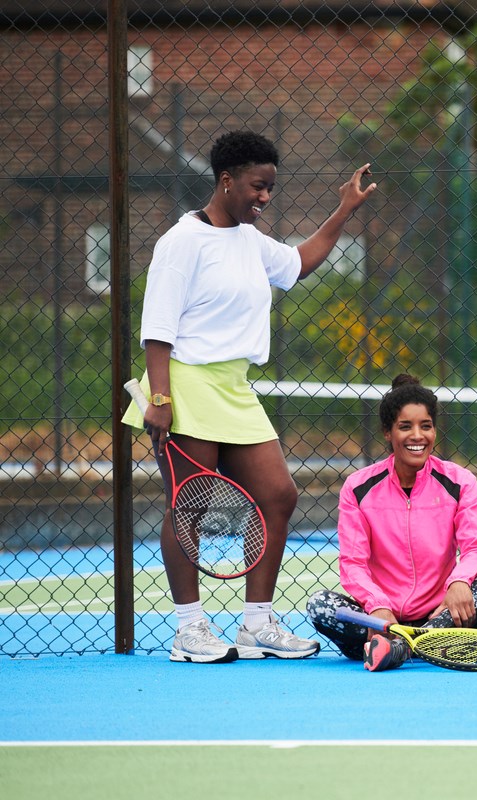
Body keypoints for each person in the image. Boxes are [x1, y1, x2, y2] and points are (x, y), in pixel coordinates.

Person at [122, 130, 376, 663]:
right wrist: (160, 397)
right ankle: (189, 629)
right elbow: (157, 327)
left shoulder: (248, 238)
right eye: (258, 187)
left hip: (233, 387)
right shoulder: (182, 241)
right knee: (188, 505)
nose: (264, 197)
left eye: (270, 189)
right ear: (226, 181)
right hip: (185, 383)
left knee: (278, 496)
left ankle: (257, 623)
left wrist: (344, 210)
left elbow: (299, 264)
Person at [305, 375, 477, 672]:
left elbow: (476, 548)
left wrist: (458, 582)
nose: (417, 436)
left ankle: (399, 649)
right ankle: (436, 646)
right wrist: (376, 605)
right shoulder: (358, 487)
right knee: (320, 605)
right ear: (388, 431)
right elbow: (353, 563)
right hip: (382, 618)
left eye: (426, 426)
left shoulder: (461, 482)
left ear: (435, 430)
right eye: (405, 426)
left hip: (439, 612)